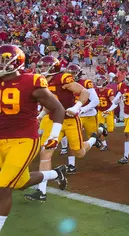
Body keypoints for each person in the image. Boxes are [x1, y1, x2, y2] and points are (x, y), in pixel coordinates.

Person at [0, 45, 68, 230]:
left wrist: (54, 135)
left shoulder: (31, 81)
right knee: (20, 183)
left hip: (23, 140)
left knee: (3, 186)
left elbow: (58, 108)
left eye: (4, 59)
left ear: (16, 61)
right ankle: (56, 173)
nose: (1, 63)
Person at [26, 55, 100, 202]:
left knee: (79, 152)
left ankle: (93, 139)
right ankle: (42, 191)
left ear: (53, 67)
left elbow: (84, 92)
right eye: (41, 66)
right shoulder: (42, 82)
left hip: (71, 120)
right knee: (45, 152)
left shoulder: (62, 78)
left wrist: (77, 106)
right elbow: (51, 103)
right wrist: (41, 115)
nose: (42, 69)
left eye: (45, 66)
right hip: (55, 122)